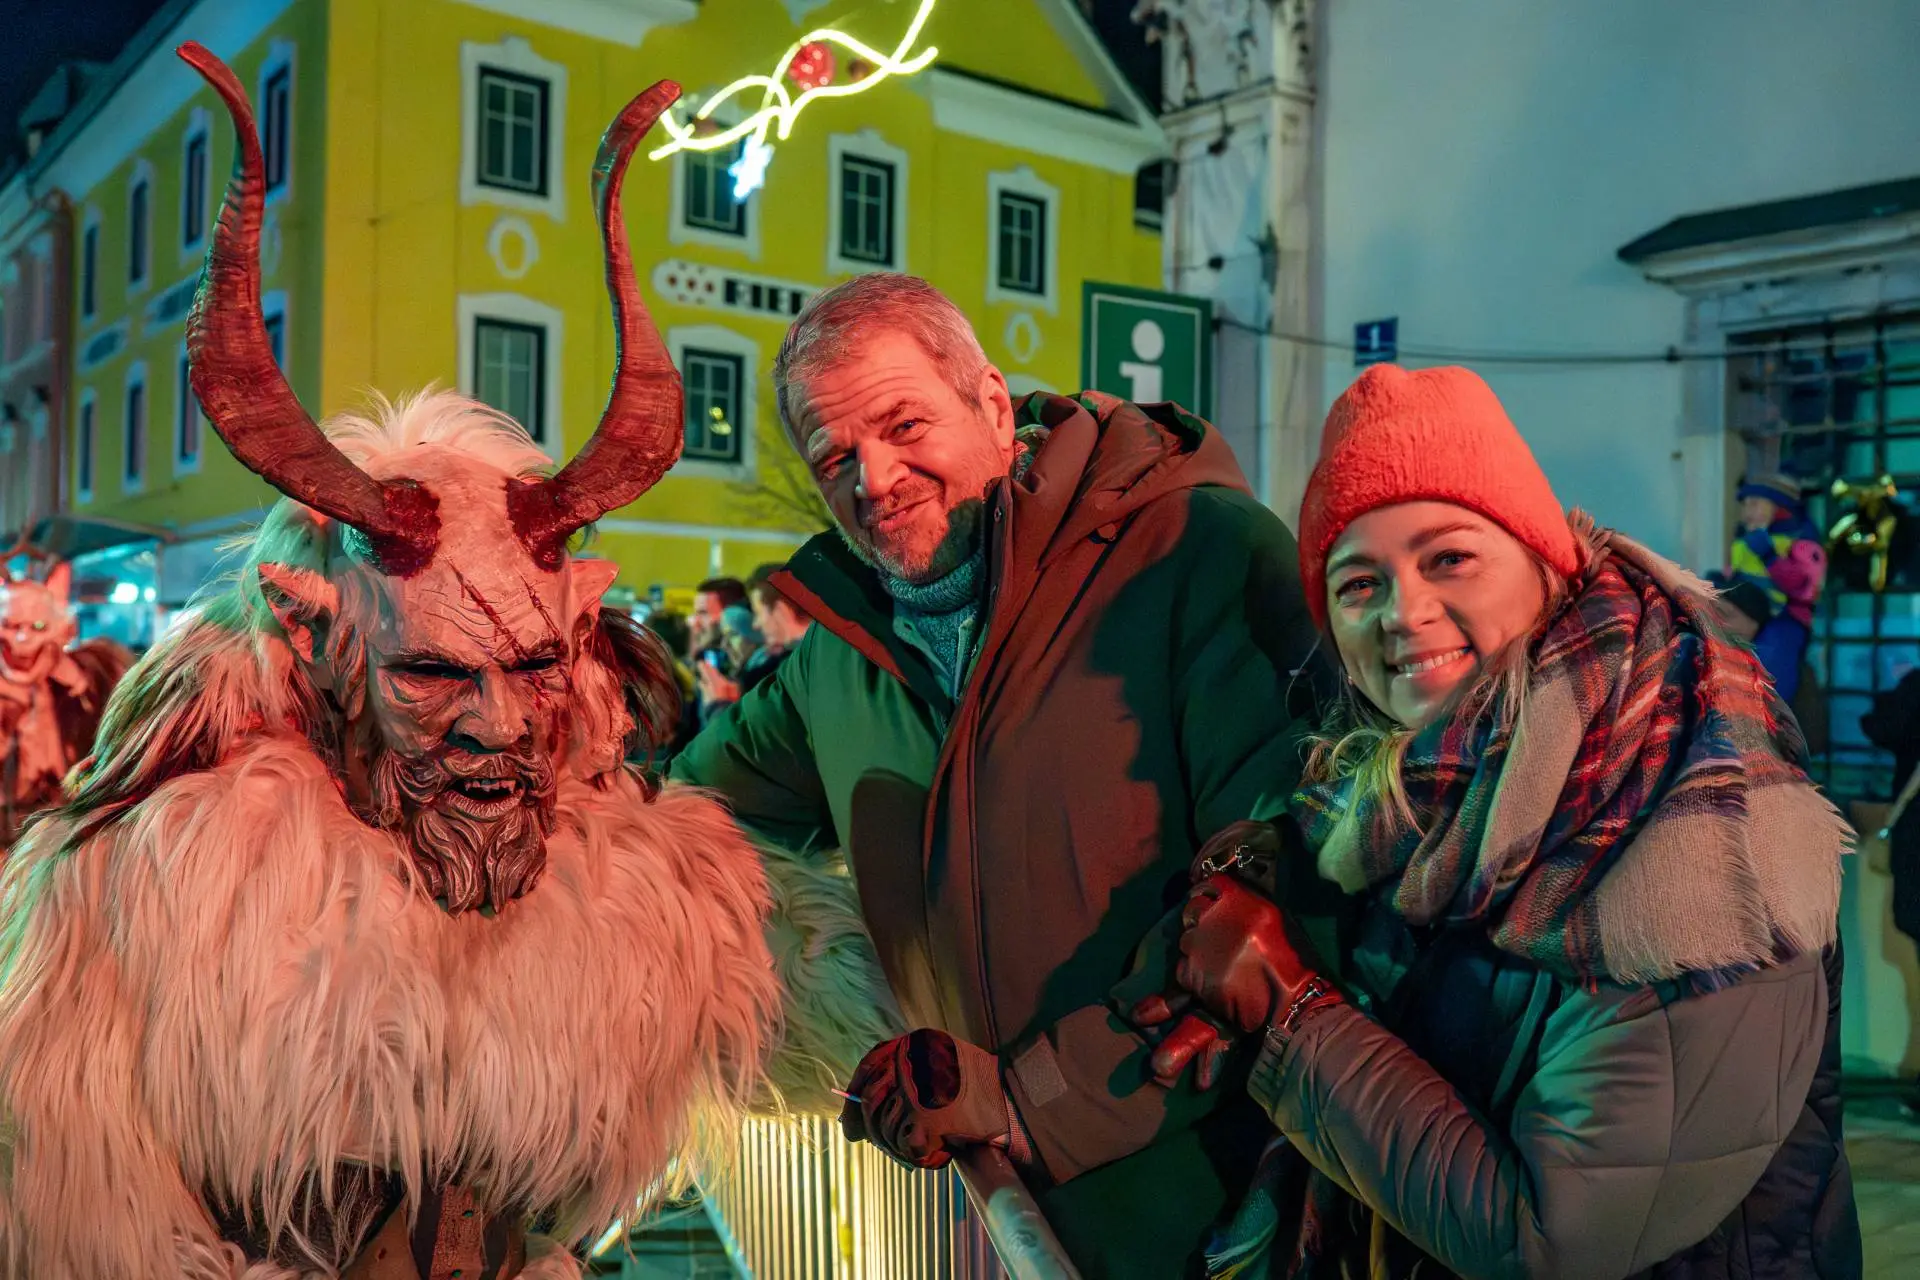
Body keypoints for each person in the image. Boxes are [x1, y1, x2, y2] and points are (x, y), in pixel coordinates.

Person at [0, 53, 789, 1277]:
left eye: (531, 667)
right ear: (314, 635)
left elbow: (801, 989)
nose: (497, 727)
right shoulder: (147, 898)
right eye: (430, 675)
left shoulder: (650, 882)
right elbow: (74, 1205)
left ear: (578, 623)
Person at [1139, 364, 1860, 1278]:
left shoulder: (1697, 816)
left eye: (1449, 558)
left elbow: (1551, 1242)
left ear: (1544, 561)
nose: (1404, 612)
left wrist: (1292, 1010)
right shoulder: (1408, 807)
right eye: (1358, 585)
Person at [669, 272, 1326, 1275]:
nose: (874, 477)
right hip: (984, 1224)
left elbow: (1288, 892)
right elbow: (678, 808)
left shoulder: (1194, 553)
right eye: (835, 455)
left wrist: (1032, 1101)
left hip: (1225, 1221)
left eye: (903, 425)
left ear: (991, 401)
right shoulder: (840, 658)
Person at [1710, 470, 1827, 702]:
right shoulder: (1746, 538)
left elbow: (1802, 585)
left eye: (1754, 504)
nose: (1746, 512)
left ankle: (1768, 710)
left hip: (1785, 618)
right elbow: (1736, 571)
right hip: (1749, 612)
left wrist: (1769, 556)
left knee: (1773, 657)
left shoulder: (1802, 541)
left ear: (1779, 506)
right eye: (1744, 505)